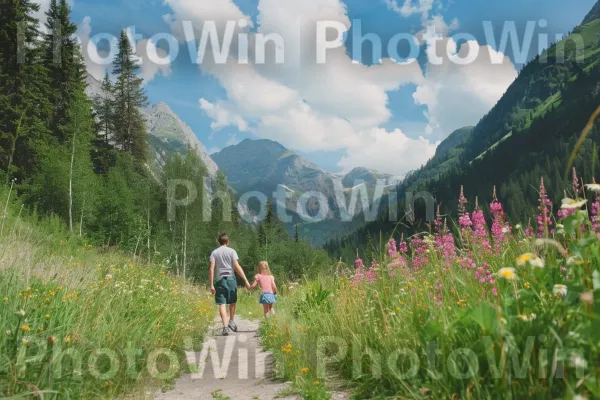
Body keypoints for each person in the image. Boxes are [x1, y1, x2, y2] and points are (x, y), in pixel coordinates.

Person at [209, 233, 251, 336]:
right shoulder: (232, 251)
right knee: (232, 301)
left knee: (222, 304)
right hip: (231, 279)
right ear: (228, 242)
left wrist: (211, 285)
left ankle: (225, 327)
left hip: (219, 280)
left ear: (219, 242)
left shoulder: (214, 253)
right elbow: (237, 267)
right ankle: (231, 321)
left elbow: (211, 269)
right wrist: (245, 280)